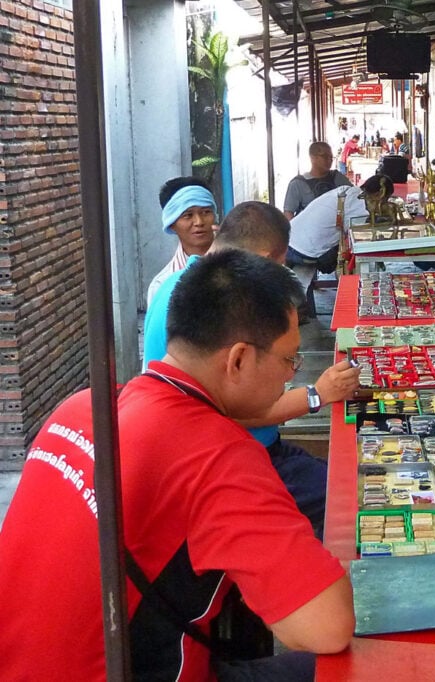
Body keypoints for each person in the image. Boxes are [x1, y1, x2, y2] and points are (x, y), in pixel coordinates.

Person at [0, 249, 355, 680]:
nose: (291, 376)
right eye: (288, 360)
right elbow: (327, 627)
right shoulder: (216, 454)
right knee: (365, 666)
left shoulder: (83, 408)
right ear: (238, 358)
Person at [144, 201, 361, 540]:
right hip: (235, 464)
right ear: (262, 258)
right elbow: (226, 416)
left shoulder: (186, 284)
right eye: (287, 361)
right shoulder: (216, 303)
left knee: (343, 478)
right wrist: (316, 395)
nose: (290, 375)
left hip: (255, 447)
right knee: (352, 499)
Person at [286, 174, 394, 317]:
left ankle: (307, 316)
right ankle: (352, 303)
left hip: (290, 237)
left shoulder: (348, 191)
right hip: (304, 250)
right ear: (379, 195)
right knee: (345, 255)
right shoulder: (361, 204)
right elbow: (363, 233)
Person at [147, 176, 217, 307]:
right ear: (171, 224)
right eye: (188, 215)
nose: (199, 222)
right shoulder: (162, 285)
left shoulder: (241, 264)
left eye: (206, 212)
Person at [283, 141, 352, 219]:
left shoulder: (337, 177)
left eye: (331, 157)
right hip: (309, 228)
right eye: (325, 157)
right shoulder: (298, 184)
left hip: (336, 227)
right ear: (312, 158)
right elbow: (288, 212)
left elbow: (354, 195)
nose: (329, 160)